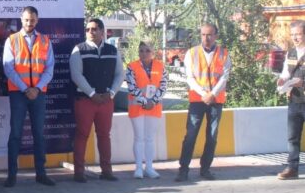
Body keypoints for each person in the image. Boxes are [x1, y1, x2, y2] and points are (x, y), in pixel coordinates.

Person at [2, 6, 56, 187]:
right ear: (21, 19)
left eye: (32, 20)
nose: (29, 23)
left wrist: (37, 88)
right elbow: (8, 68)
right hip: (18, 93)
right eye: (26, 19)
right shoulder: (11, 40)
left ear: (37, 20)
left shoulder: (45, 40)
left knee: (39, 134)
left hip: (39, 94)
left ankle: (41, 174)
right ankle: (11, 175)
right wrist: (26, 88)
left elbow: (50, 68)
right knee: (15, 134)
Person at [70, 18, 124, 182]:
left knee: (104, 135)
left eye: (93, 29)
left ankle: (106, 171)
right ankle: (79, 172)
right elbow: (76, 75)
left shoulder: (112, 50)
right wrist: (92, 94)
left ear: (102, 31)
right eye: (87, 29)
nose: (90, 32)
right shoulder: (79, 49)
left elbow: (120, 74)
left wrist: (112, 93)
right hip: (85, 100)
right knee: (82, 135)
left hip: (106, 100)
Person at [176, 22, 231, 182]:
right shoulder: (191, 53)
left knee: (212, 136)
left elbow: (224, 76)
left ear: (216, 36)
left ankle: (205, 169)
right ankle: (183, 170)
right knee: (191, 135)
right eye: (203, 34)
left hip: (216, 100)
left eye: (209, 34)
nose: (206, 38)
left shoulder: (224, 53)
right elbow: (190, 78)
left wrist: (212, 94)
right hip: (197, 100)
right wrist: (204, 94)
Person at [126, 41, 168, 179]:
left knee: (150, 138)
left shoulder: (161, 66)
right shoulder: (131, 66)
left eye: (147, 50)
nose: (144, 53)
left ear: (153, 52)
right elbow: (132, 87)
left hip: (154, 108)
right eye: (141, 50)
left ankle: (149, 167)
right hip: (137, 107)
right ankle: (138, 168)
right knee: (139, 137)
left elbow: (163, 86)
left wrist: (153, 101)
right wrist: (145, 102)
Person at [276, 20, 305, 180]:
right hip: (294, 101)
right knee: (292, 137)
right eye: (293, 34)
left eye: (298, 34)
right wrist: (282, 80)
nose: (295, 38)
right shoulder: (291, 53)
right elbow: (286, 72)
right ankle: (292, 168)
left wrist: (303, 83)